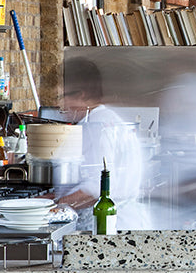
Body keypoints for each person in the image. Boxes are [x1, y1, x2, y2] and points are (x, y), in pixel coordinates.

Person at [57, 57, 149, 230]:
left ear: (81, 95)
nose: (60, 104)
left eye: (63, 96)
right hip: (119, 224)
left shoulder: (95, 127)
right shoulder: (105, 119)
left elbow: (95, 189)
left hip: (107, 227)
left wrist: (55, 208)